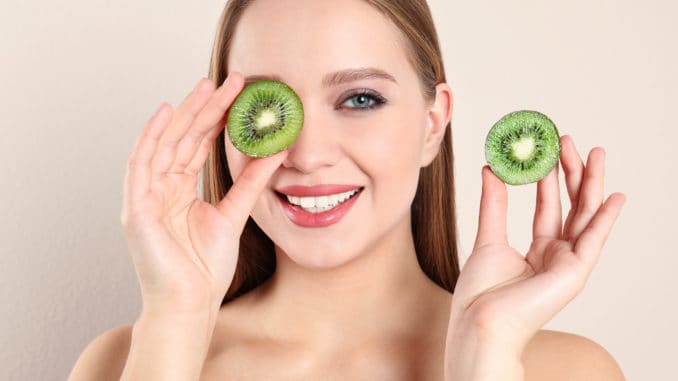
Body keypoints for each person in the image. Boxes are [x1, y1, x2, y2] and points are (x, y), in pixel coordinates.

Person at [68, 0, 627, 379]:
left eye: (360, 99)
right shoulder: (125, 361)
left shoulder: (566, 370)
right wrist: (177, 315)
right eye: (268, 107)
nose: (308, 155)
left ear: (433, 123)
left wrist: (488, 352)